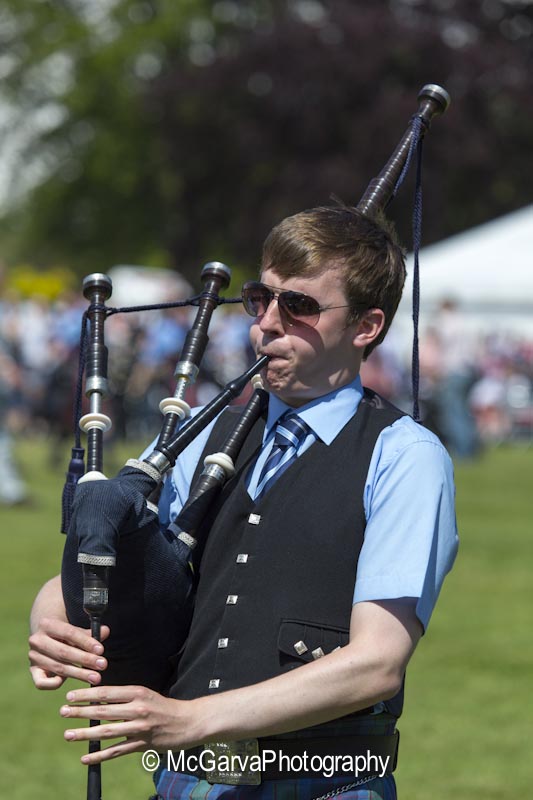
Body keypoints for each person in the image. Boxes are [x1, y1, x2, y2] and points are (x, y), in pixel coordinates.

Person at [28, 205, 458, 800]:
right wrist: (52, 614)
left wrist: (191, 719)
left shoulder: (404, 456)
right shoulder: (202, 434)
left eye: (299, 305)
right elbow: (121, 560)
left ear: (366, 326)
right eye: (261, 298)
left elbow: (376, 663)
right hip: (185, 785)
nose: (266, 324)